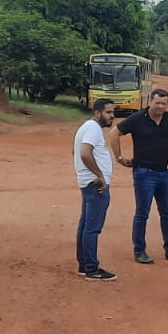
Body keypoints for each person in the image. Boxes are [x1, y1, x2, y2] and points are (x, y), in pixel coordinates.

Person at [106, 88, 168, 265]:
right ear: (150, 102)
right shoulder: (137, 119)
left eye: (164, 103)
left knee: (167, 212)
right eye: (157, 102)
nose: (160, 106)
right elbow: (114, 133)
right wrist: (119, 158)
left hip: (165, 173)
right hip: (144, 172)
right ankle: (139, 250)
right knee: (142, 213)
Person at [74, 99, 118, 281]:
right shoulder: (92, 128)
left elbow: (77, 153)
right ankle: (92, 268)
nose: (112, 116)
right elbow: (85, 153)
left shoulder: (87, 127)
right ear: (97, 113)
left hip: (89, 183)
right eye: (108, 112)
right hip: (95, 186)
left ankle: (85, 265)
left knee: (85, 225)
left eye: (113, 113)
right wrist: (99, 175)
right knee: (92, 228)